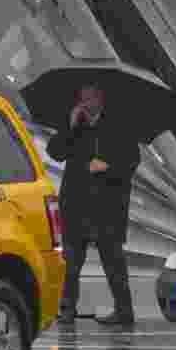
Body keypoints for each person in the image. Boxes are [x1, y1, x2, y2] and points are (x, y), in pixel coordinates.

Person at [46, 83, 141, 326]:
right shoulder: (75, 125)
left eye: (91, 97)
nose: (86, 102)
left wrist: (108, 168)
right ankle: (67, 309)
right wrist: (69, 127)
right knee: (70, 264)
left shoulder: (120, 125)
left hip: (107, 207)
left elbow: (132, 161)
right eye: (82, 98)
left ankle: (124, 310)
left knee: (113, 264)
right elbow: (55, 152)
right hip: (76, 205)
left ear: (101, 98)